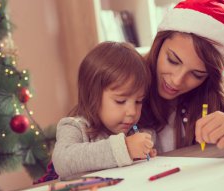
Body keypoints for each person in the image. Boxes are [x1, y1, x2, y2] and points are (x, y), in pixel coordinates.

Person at [140, 0, 224, 153]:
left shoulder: (215, 91)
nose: (177, 80)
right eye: (173, 61)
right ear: (159, 43)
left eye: (197, 74)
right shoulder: (127, 77)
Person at [52, 41, 157, 179]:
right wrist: (125, 148)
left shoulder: (136, 130)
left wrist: (144, 150)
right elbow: (62, 161)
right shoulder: (75, 127)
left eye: (138, 101)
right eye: (120, 101)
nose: (132, 111)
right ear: (92, 96)